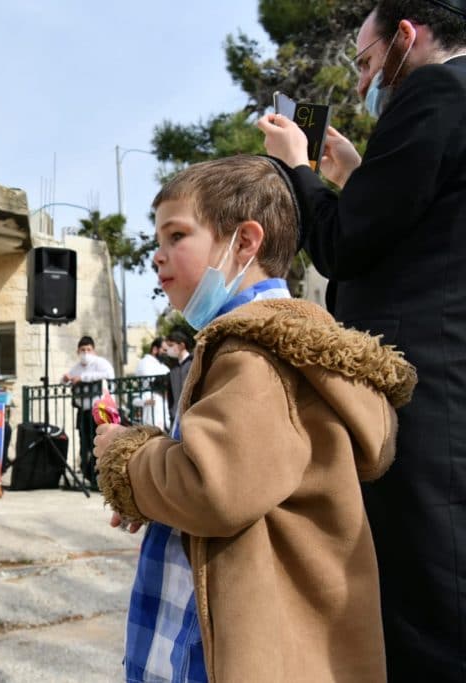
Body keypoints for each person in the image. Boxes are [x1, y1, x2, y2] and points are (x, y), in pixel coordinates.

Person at [93, 155, 417, 681]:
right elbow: (244, 476)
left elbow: (212, 487)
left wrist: (123, 458)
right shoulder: (271, 345)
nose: (158, 256)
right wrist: (154, 489)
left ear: (245, 242)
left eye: (177, 235)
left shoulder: (252, 350)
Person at [257, 2, 466, 677]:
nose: (361, 83)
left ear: (409, 36)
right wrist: (351, 175)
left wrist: (296, 169)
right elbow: (418, 219)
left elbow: (347, 243)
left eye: (369, 62)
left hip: (422, 382)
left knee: (422, 582)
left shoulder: (436, 87)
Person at [61, 335, 116, 489]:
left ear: (93, 350)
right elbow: (68, 379)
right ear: (78, 351)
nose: (85, 353)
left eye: (88, 350)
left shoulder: (101, 363)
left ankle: (103, 476)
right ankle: (91, 476)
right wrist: (65, 379)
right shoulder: (77, 366)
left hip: (99, 410)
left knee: (100, 442)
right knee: (85, 444)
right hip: (83, 411)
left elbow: (107, 376)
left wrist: (83, 378)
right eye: (82, 350)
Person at [164, 328, 193, 422]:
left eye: (171, 345)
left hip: (193, 416)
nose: (168, 349)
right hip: (177, 417)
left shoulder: (193, 363)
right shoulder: (173, 369)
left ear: (181, 346)